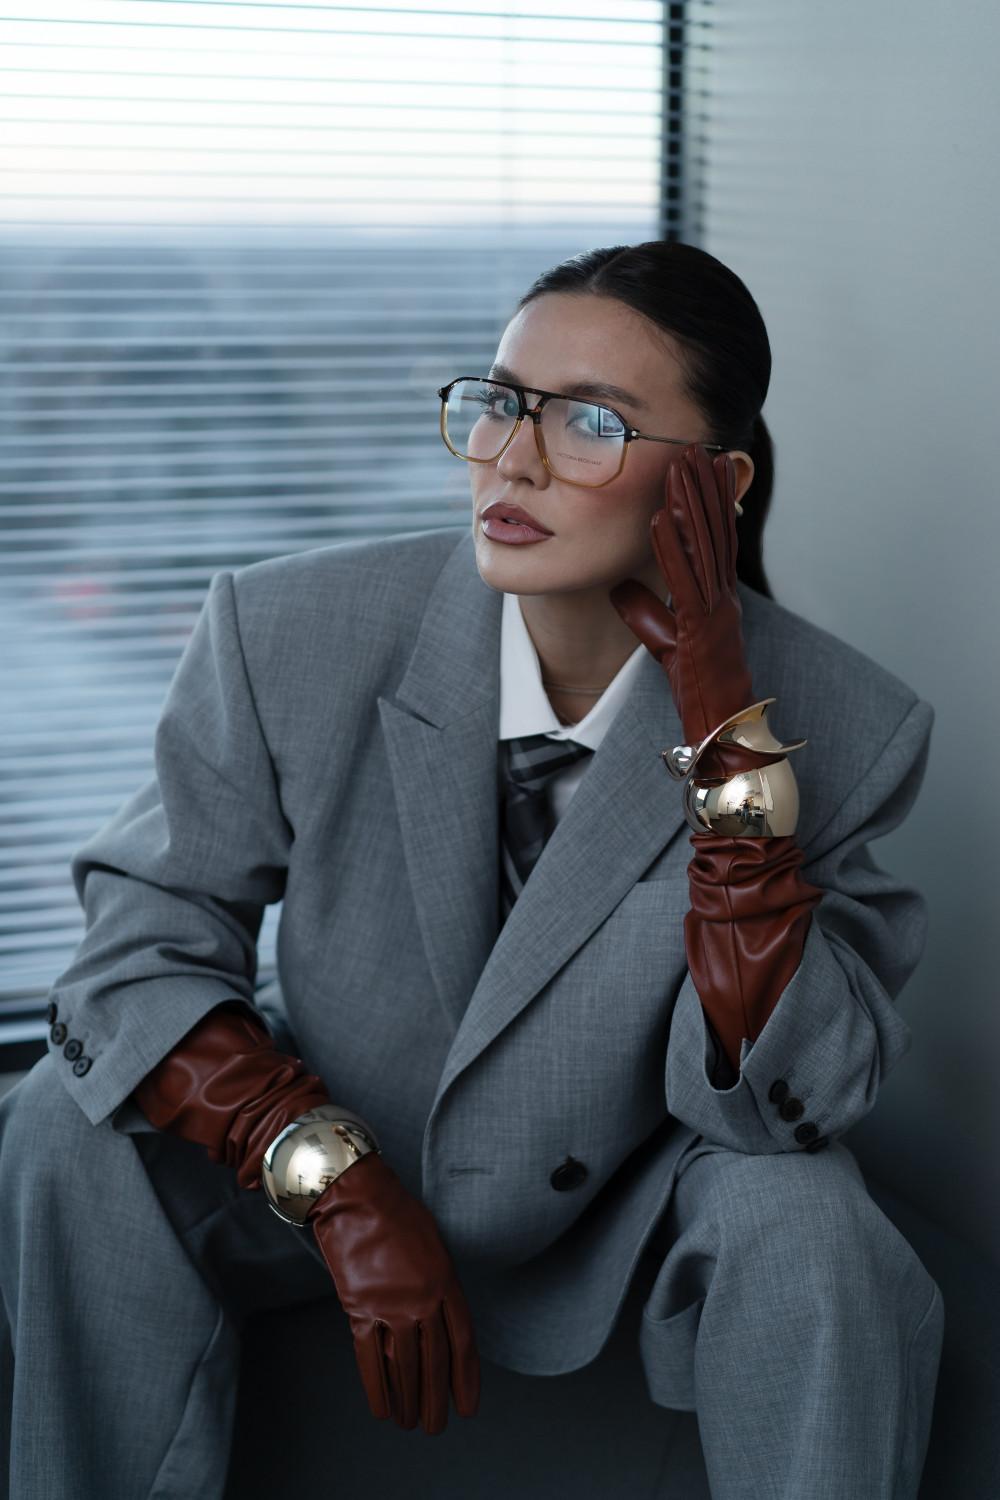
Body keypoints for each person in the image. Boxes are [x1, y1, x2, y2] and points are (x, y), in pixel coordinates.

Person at [0, 241, 943, 1499]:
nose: (512, 458)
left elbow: (779, 1106)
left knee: (815, 1220)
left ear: (715, 485)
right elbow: (132, 959)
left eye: (591, 422)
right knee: (60, 1122)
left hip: (624, 1204)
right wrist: (330, 1179)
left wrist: (726, 741)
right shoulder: (287, 632)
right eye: (500, 401)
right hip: (338, 1145)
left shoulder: (849, 724)